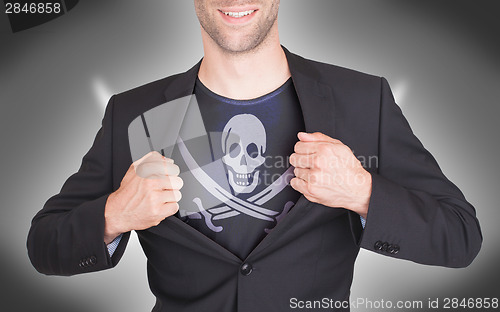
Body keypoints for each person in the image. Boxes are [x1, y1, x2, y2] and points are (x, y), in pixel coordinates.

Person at [27, 1, 482, 311]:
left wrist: (363, 192)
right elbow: (44, 244)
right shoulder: (136, 114)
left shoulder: (362, 101)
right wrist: (114, 214)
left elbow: (461, 236)